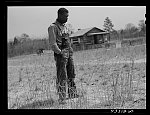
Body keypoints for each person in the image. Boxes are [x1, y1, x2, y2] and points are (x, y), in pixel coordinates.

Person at [48, 8, 79, 104]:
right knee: (62, 75)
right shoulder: (53, 27)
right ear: (59, 15)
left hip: (69, 52)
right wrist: (60, 52)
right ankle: (62, 97)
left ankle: (72, 94)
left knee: (71, 73)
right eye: (65, 16)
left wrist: (70, 50)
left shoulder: (66, 26)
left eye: (68, 16)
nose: (67, 18)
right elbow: (53, 43)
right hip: (60, 54)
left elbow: (68, 39)